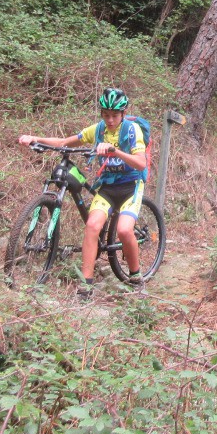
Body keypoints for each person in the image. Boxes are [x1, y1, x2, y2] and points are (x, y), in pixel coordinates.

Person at [17, 87, 148, 301]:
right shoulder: (97, 130)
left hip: (131, 185)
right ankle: (86, 286)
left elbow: (141, 162)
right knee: (92, 226)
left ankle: (136, 278)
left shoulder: (132, 130)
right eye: (106, 115)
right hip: (107, 186)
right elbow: (63, 142)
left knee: (124, 230)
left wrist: (115, 151)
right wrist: (34, 138)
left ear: (123, 114)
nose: (110, 120)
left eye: (115, 115)